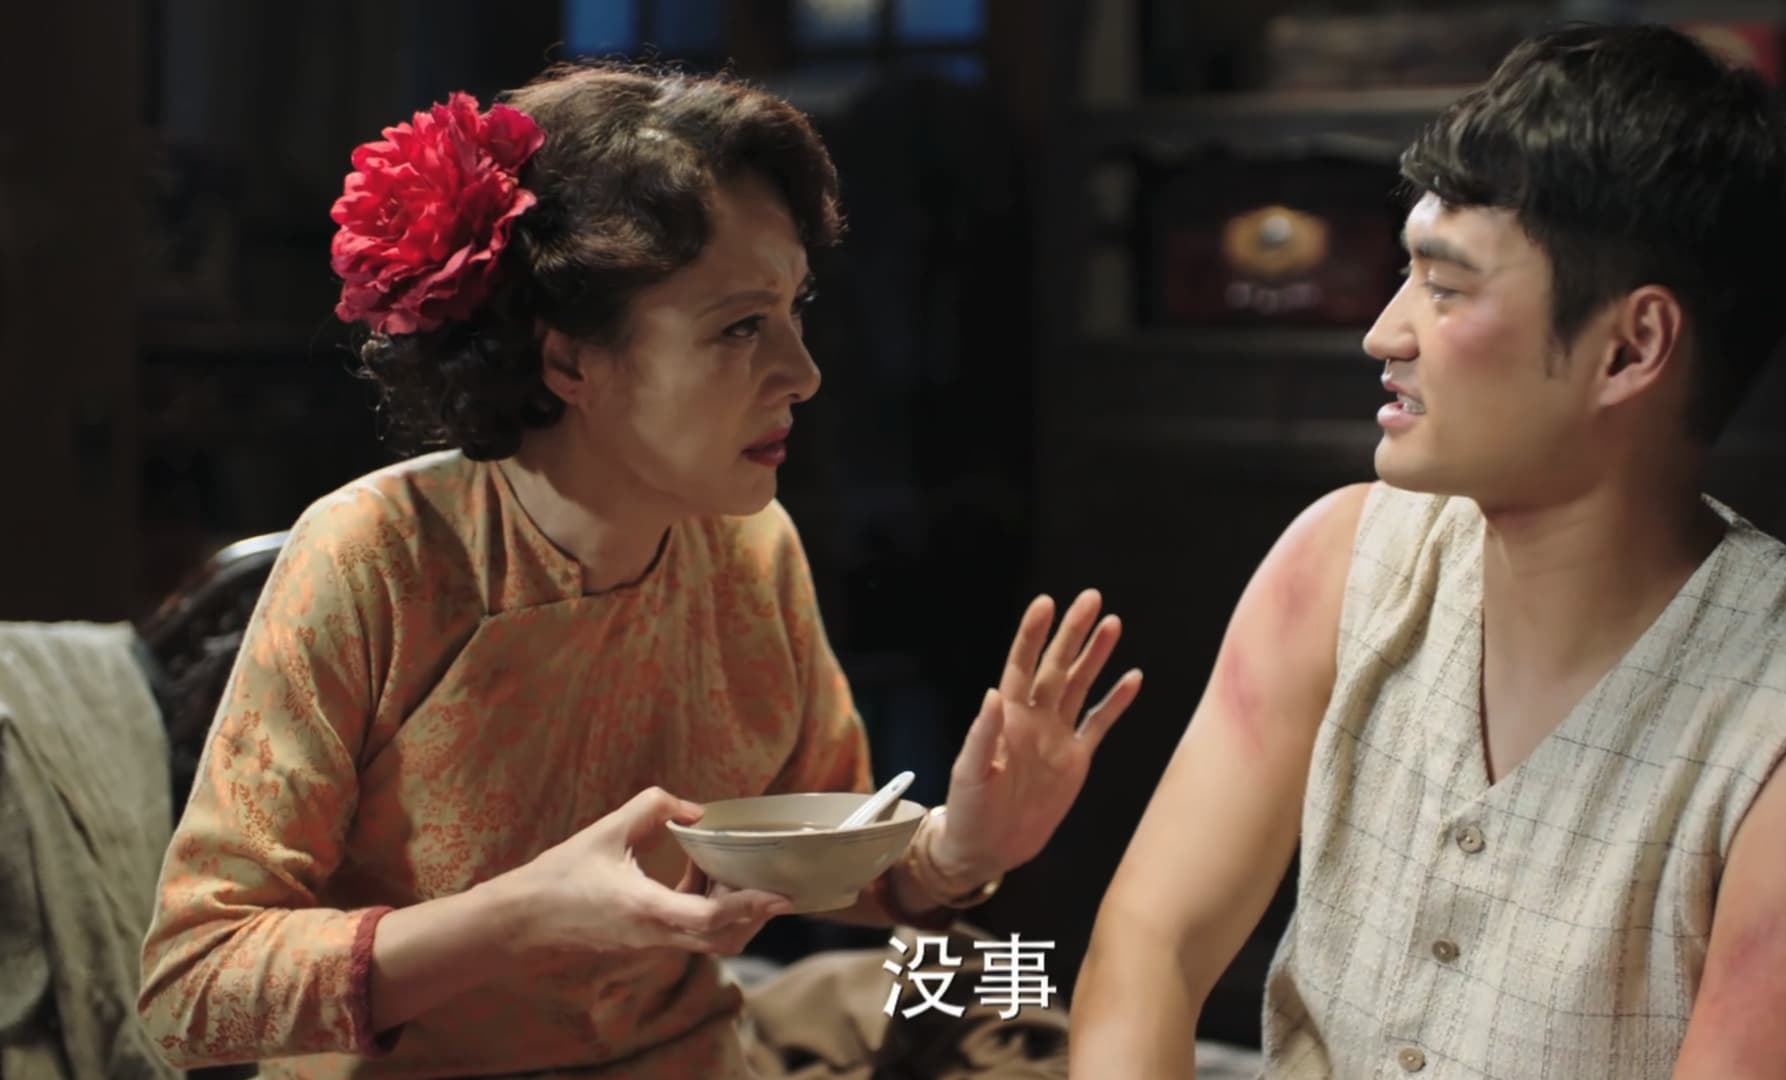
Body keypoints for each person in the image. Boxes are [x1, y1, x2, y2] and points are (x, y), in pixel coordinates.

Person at [137, 61, 1143, 1079]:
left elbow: (816, 854)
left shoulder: (750, 547)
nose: (803, 373)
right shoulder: (377, 557)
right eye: (740, 327)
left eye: (794, 311)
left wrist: (959, 850)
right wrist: (517, 918)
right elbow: (191, 989)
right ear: (570, 360)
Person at [1070, 22, 1786, 1080]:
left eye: (1446, 286)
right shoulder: (1340, 561)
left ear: (1631, 348)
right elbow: (1149, 945)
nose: (1385, 332)